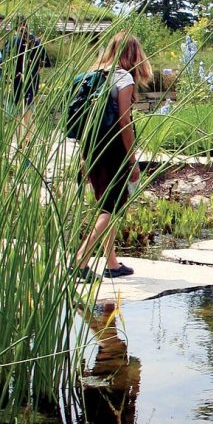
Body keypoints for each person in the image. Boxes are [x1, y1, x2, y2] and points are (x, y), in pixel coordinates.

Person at [73, 32, 153, 280]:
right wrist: (132, 159)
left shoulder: (90, 75)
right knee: (112, 206)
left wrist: (84, 157)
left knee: (106, 204)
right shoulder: (123, 77)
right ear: (132, 54)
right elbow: (124, 121)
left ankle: (112, 263)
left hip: (92, 147)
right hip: (113, 149)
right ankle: (80, 261)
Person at [6, 18, 46, 141]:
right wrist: (35, 72)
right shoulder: (37, 42)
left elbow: (6, 62)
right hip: (32, 81)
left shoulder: (13, 42)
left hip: (16, 81)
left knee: (17, 113)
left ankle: (20, 140)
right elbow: (43, 62)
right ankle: (28, 139)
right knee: (29, 110)